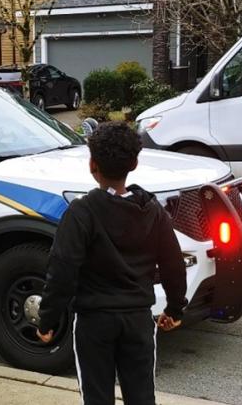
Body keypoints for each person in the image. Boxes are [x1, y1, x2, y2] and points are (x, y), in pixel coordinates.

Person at [36, 121, 188, 405]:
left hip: (94, 321)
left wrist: (48, 318)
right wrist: (175, 308)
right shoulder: (152, 211)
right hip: (138, 319)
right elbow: (173, 263)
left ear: (92, 165)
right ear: (134, 163)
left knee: (96, 396)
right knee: (142, 395)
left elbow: (62, 269)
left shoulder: (82, 212)